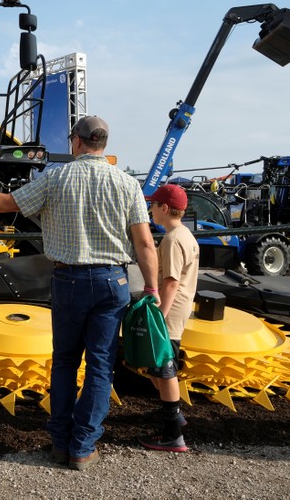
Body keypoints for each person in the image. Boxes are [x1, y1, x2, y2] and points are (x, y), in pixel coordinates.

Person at [0, 115, 159, 471]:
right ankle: (82, 447)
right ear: (102, 144)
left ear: (77, 141)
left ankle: (60, 443)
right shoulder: (127, 184)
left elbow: (7, 204)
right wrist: (151, 287)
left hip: (69, 281)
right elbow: (145, 243)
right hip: (112, 282)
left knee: (65, 362)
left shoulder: (56, 178)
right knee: (100, 365)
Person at [138, 183, 199, 453]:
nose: (150, 210)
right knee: (159, 368)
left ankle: (173, 433)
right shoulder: (185, 234)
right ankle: (174, 413)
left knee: (164, 369)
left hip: (170, 311)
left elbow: (171, 282)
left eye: (152, 205)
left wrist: (159, 318)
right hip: (179, 308)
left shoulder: (173, 239)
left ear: (164, 208)